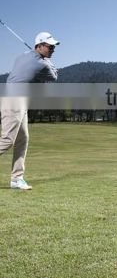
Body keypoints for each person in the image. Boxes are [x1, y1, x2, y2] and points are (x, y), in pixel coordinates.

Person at [0, 31, 60, 190]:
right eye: (50, 46)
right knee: (7, 140)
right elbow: (53, 77)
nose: (53, 49)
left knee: (23, 138)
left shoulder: (22, 56)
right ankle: (16, 178)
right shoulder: (43, 64)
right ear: (39, 46)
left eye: (53, 47)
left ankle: (16, 179)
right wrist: (52, 66)